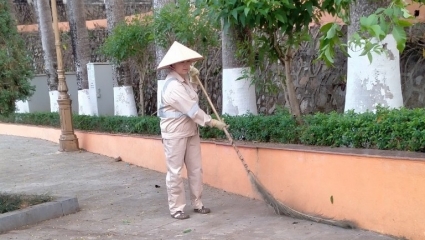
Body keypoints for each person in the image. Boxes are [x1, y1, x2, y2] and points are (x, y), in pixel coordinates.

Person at [157, 41, 227, 220]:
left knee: (196, 169)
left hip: (191, 131)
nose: (187, 66)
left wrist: (194, 82)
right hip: (174, 133)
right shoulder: (172, 85)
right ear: (172, 65)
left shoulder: (185, 81)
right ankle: (176, 208)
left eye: (188, 62)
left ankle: (198, 203)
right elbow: (191, 109)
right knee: (175, 171)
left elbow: (193, 98)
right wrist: (211, 122)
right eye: (183, 63)